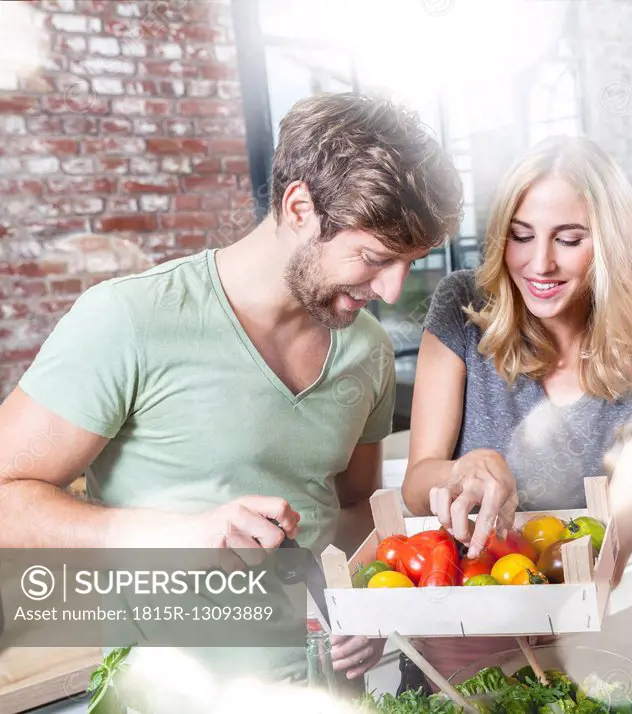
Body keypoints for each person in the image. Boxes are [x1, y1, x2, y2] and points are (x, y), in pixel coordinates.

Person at [0, 92, 464, 693]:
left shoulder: (366, 347)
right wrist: (176, 535)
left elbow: (351, 512)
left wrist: (366, 597)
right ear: (299, 206)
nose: (393, 289)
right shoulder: (130, 319)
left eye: (409, 262)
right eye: (375, 258)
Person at [399, 135, 632, 685]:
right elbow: (417, 483)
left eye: (569, 239)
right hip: (450, 624)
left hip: (566, 652)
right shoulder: (464, 312)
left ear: (608, 243)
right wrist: (465, 468)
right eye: (521, 236)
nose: (541, 263)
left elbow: (603, 569)